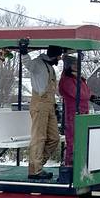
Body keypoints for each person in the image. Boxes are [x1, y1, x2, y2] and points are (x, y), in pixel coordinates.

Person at [57, 55, 100, 183]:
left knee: (81, 140)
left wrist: (97, 100)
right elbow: (80, 94)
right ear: (69, 66)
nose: (77, 66)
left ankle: (79, 164)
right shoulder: (67, 80)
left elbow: (88, 93)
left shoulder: (78, 79)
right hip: (73, 113)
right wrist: (88, 95)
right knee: (73, 140)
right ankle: (70, 165)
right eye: (74, 64)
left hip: (83, 112)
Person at [20, 44, 63, 180]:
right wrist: (24, 52)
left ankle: (37, 165)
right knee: (39, 137)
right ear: (55, 55)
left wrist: (54, 105)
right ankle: (35, 170)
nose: (60, 58)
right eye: (59, 55)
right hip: (40, 102)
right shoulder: (38, 63)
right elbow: (27, 64)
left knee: (54, 138)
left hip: (50, 104)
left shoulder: (50, 66)